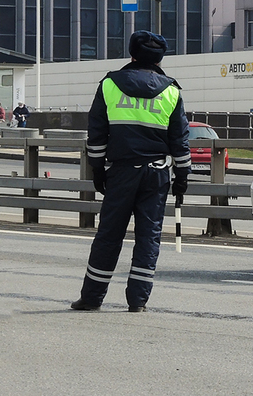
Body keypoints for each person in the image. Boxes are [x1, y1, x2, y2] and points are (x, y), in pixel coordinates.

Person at [71, 30, 191, 312]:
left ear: (132, 54)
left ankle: (91, 298)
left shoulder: (110, 84)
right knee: (148, 237)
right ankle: (137, 300)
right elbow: (180, 140)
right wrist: (182, 176)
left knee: (109, 235)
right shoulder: (172, 91)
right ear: (160, 59)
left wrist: (96, 169)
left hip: (122, 172)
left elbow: (97, 133)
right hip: (157, 174)